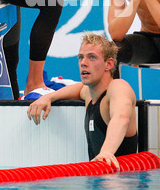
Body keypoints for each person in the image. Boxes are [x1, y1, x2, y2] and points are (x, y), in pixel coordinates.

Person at [27, 33, 137, 169]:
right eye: (81, 57)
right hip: (98, 179)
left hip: (122, 183)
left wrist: (107, 152)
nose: (83, 63)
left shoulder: (119, 87)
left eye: (92, 57)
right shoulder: (89, 94)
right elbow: (79, 88)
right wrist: (49, 97)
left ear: (108, 64)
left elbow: (121, 118)